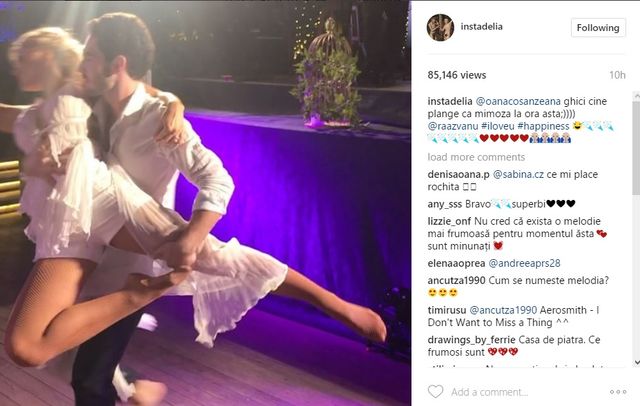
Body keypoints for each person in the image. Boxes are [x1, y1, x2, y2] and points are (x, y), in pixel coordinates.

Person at [4, 13, 386, 402]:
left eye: (90, 56)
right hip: (87, 233)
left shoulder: (157, 116)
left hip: (123, 221)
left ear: (116, 63)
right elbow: (36, 116)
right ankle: (136, 386)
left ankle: (339, 307)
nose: (82, 63)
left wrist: (190, 236)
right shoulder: (94, 100)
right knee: (74, 367)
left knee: (219, 257)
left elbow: (218, 180)